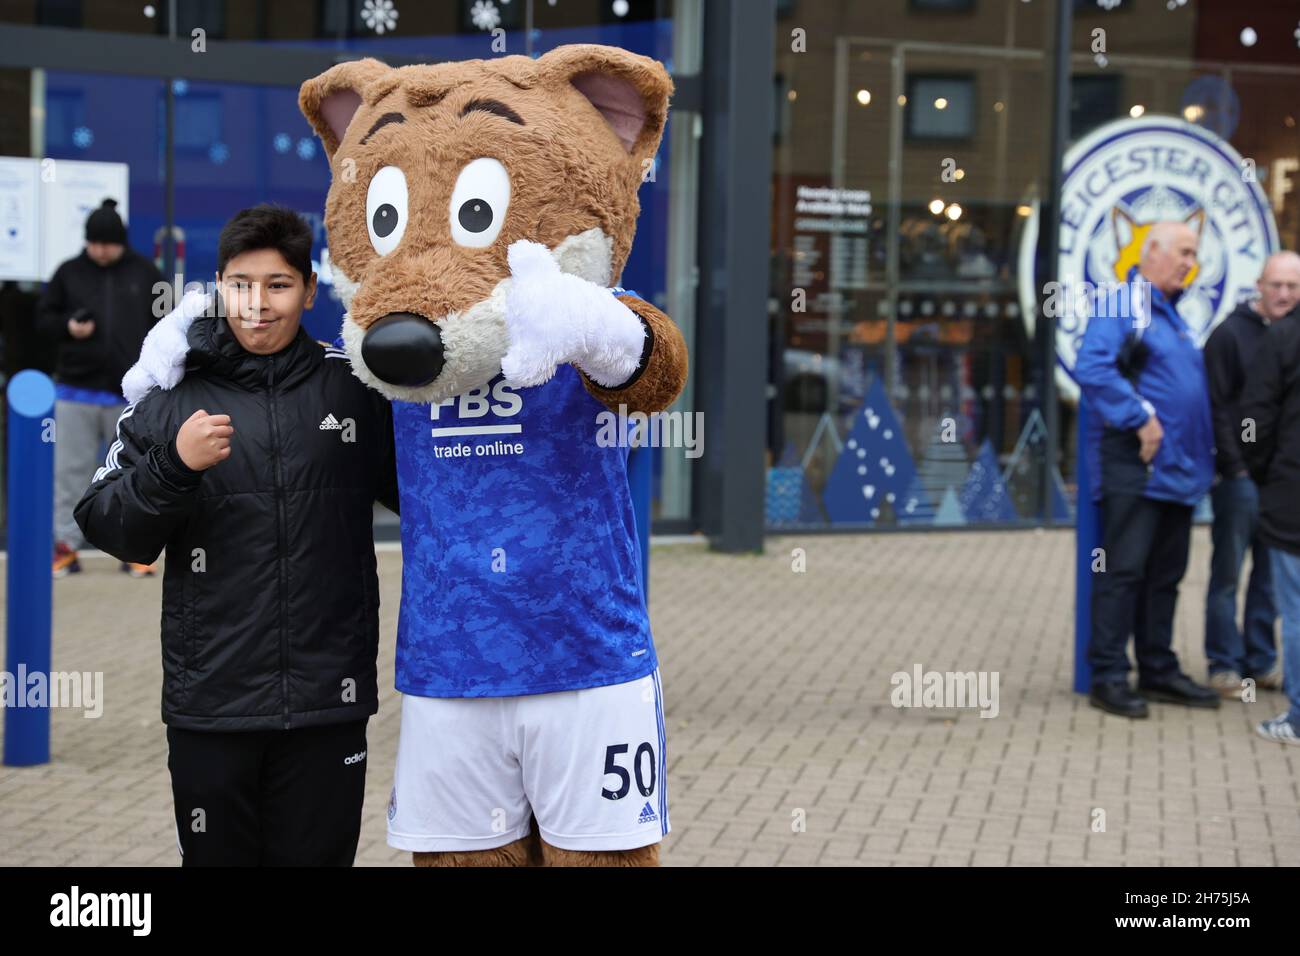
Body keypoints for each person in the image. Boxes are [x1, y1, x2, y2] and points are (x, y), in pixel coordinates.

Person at [74, 205, 399, 865]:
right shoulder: (171, 398)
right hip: (211, 709)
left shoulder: (356, 388)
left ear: (309, 291)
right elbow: (108, 526)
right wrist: (173, 467)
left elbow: (435, 497)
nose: (257, 304)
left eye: (278, 285)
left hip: (326, 705)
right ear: (219, 286)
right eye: (241, 285)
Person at [1076, 220, 1220, 718]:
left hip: (1177, 474)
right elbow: (1093, 366)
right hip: (1136, 465)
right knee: (1123, 572)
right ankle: (1109, 676)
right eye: (1182, 251)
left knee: (1165, 576)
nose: (1189, 262)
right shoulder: (1124, 302)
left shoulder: (1175, 316)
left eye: (1194, 253)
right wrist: (1141, 417)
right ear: (1150, 252)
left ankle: (1157, 670)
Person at [37, 198, 164, 578]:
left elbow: (166, 324)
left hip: (129, 395)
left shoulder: (145, 273)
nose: (101, 250)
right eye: (95, 243)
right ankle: (64, 549)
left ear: (121, 242)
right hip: (74, 391)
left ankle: (134, 550)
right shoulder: (68, 273)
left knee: (133, 474)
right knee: (70, 474)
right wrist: (67, 328)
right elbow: (43, 319)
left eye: (108, 243)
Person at [1202, 253, 1300, 695]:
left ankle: (1261, 660)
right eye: (1276, 284)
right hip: (1240, 477)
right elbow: (1220, 407)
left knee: (1268, 577)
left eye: (1292, 287)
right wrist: (1236, 464)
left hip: (1278, 483)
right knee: (1227, 572)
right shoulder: (1229, 336)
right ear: (1258, 284)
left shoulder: (1292, 336)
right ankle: (1224, 664)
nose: (1283, 294)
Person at [1239, 274, 1300, 744]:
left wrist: (1264, 474)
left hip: (1289, 495)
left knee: (1295, 611)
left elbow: (1252, 422)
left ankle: (1297, 717)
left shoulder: (1281, 337)